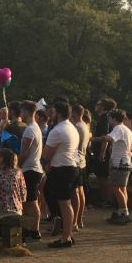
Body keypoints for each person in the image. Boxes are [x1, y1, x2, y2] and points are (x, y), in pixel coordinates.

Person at [41, 101, 79, 248]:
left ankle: (65, 238)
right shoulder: (72, 128)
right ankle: (68, 234)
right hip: (70, 167)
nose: (50, 113)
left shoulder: (57, 131)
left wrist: (47, 162)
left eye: (52, 110)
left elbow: (46, 154)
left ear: (58, 113)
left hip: (62, 169)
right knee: (66, 203)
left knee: (64, 204)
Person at [18, 101, 44, 242]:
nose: (20, 114)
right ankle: (29, 228)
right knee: (28, 201)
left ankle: (35, 229)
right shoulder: (35, 128)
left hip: (30, 169)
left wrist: (17, 166)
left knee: (32, 201)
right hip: (34, 168)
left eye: (22, 111)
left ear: (27, 112)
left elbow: (24, 152)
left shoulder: (30, 130)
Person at [104, 109, 132, 225]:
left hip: (118, 163)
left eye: (109, 118)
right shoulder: (128, 130)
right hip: (126, 162)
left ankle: (125, 212)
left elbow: (109, 138)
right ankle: (122, 212)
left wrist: (92, 138)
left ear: (113, 118)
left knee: (115, 187)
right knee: (122, 188)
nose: (109, 120)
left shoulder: (117, 128)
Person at [0, 148, 27, 220]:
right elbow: (23, 193)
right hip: (15, 209)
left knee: (0, 225)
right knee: (14, 230)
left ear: (2, 159)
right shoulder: (18, 173)